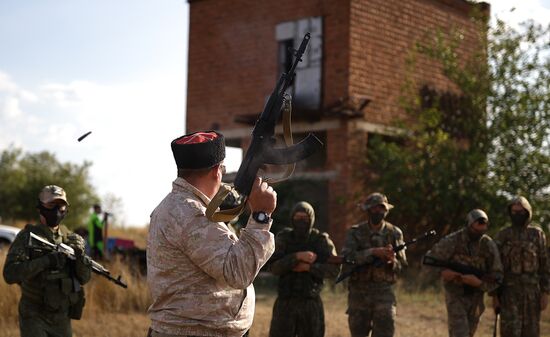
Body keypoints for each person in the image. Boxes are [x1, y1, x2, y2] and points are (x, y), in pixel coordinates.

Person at [146, 131, 277, 337]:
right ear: (217, 171)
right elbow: (237, 272)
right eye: (223, 168)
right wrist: (261, 216)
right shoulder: (190, 213)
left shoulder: (180, 207)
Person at [3, 185, 91, 337]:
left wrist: (80, 257)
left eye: (61, 205)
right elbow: (10, 274)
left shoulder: (69, 237)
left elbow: (84, 278)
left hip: (62, 316)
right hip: (34, 314)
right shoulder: (27, 236)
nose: (57, 210)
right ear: (40, 208)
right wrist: (46, 261)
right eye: (51, 205)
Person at [425, 209, 502, 337]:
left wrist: (479, 283)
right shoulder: (452, 240)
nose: (478, 234)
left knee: (470, 333)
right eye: (475, 230)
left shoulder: (488, 245)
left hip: (476, 298)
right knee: (459, 333)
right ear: (468, 225)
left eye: (482, 231)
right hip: (455, 295)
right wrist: (443, 272)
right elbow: (428, 261)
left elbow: (497, 277)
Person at [268, 201, 340, 337]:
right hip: (286, 302)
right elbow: (274, 268)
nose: (301, 221)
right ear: (292, 219)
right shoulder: (283, 238)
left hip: (310, 303)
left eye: (305, 218)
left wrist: (309, 267)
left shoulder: (321, 240)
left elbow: (334, 270)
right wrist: (296, 257)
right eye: (297, 218)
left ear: (311, 219)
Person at [340, 192, 407, 337]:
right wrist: (372, 252)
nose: (378, 211)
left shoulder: (395, 233)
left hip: (384, 294)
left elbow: (402, 266)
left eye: (381, 208)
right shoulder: (355, 233)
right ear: (367, 210)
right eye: (374, 208)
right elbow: (347, 258)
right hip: (359, 294)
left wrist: (391, 261)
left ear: (386, 210)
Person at [491, 196, 549, 337]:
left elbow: (544, 265)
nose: (517, 215)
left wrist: (545, 293)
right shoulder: (503, 235)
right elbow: (494, 266)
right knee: (510, 332)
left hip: (532, 295)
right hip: (508, 294)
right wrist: (494, 295)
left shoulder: (537, 234)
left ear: (528, 212)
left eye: (521, 212)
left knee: (531, 332)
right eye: (514, 212)